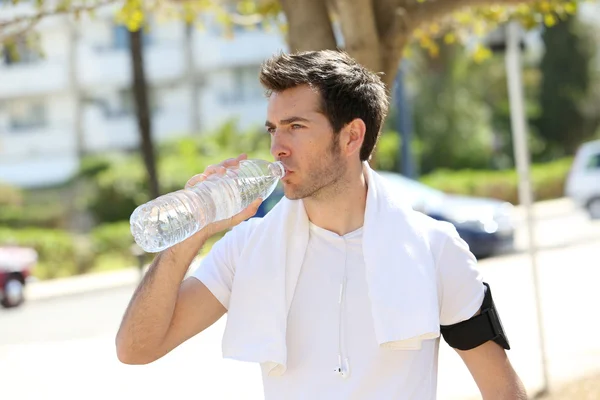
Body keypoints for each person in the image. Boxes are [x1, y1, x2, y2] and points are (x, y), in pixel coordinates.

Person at [116, 50, 527, 399]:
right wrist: (197, 227)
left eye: (295, 127)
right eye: (273, 129)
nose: (277, 146)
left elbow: (502, 390)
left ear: (351, 137)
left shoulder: (434, 248)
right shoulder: (247, 248)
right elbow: (136, 348)